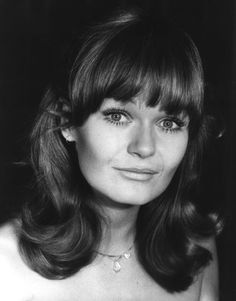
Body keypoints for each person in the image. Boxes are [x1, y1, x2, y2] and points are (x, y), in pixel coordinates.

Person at [0, 7, 221, 301]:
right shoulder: (6, 264)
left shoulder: (195, 249)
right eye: (118, 116)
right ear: (67, 122)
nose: (144, 147)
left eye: (169, 123)